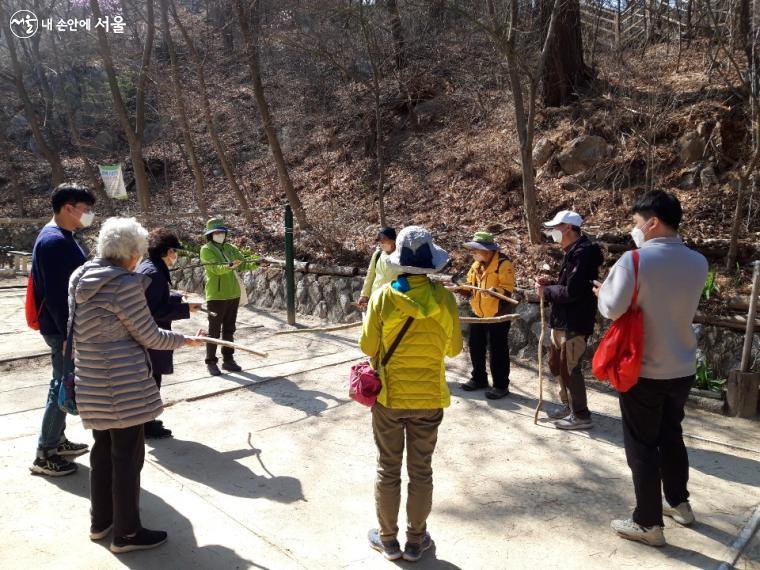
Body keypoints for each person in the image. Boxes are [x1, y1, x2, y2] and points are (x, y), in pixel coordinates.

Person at [69, 217, 203, 553]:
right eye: (139, 253)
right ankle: (127, 533)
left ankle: (101, 522)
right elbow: (150, 335)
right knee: (128, 456)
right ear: (130, 252)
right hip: (123, 383)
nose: (139, 260)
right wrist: (185, 340)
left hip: (91, 379)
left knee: (102, 450)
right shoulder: (124, 283)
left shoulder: (80, 277)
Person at [594, 191, 707, 547]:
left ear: (653, 221)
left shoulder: (634, 259)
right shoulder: (698, 262)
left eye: (637, 221)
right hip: (682, 365)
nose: (635, 228)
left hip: (643, 368)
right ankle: (679, 503)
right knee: (671, 435)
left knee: (642, 445)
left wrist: (602, 291)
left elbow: (612, 308)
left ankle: (647, 522)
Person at [360, 225, 463, 563]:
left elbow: (367, 346)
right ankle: (416, 540)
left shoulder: (384, 297)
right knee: (422, 471)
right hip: (429, 397)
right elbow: (453, 349)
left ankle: (388, 541)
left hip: (390, 398)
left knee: (388, 468)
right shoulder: (445, 299)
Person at [29, 183, 95, 477]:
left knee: (62, 383)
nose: (88, 214)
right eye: (85, 209)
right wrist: (69, 337)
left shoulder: (64, 236)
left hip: (63, 327)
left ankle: (58, 440)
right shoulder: (54, 241)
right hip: (61, 329)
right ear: (68, 208)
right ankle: (45, 453)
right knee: (61, 385)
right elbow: (57, 297)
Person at [536, 211, 604, 430]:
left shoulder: (584, 254)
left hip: (575, 321)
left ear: (567, 228)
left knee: (571, 367)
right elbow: (567, 285)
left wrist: (547, 291)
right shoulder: (571, 252)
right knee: (557, 364)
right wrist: (552, 284)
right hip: (562, 320)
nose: (551, 232)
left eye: (555, 227)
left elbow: (572, 292)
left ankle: (581, 415)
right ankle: (568, 405)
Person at [136, 229, 202, 439]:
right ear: (168, 250)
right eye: (175, 251)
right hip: (151, 336)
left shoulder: (150, 267)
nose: (176, 256)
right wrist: (185, 308)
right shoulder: (154, 273)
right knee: (151, 380)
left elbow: (158, 298)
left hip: (147, 334)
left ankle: (147, 421)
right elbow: (155, 309)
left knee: (150, 379)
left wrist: (177, 297)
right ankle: (147, 424)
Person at [456, 231, 515, 400]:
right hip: (478, 312)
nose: (473, 253)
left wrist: (494, 292)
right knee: (475, 346)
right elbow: (470, 286)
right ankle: (479, 378)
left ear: (486, 250)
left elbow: (507, 289)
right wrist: (460, 288)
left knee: (498, 350)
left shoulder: (503, 264)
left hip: (498, 314)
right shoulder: (476, 265)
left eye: (476, 249)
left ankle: (501, 385)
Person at [200, 217, 257, 376]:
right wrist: (229, 265)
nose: (220, 234)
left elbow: (244, 263)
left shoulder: (231, 248)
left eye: (222, 232)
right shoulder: (206, 249)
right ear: (210, 234)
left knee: (230, 329)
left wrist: (257, 262)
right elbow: (215, 269)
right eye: (216, 232)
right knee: (214, 330)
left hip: (233, 293)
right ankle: (211, 361)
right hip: (216, 295)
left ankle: (228, 359)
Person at [357, 227, 399, 308]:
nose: (382, 243)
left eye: (384, 241)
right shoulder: (377, 254)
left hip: (394, 299)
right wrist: (364, 295)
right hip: (376, 297)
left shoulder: (401, 256)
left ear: (393, 240)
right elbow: (370, 275)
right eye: (380, 242)